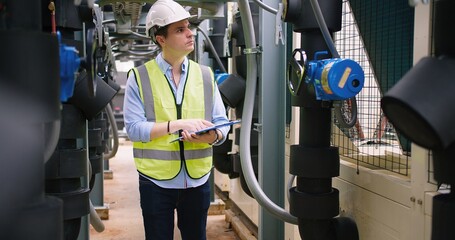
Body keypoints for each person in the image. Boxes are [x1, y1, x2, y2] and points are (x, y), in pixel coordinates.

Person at [123, 0, 230, 239]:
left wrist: (213, 136)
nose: (189, 33)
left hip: (197, 180)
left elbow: (222, 123)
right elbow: (133, 128)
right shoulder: (139, 77)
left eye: (187, 27)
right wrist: (176, 126)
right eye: (180, 30)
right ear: (161, 39)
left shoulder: (205, 75)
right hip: (155, 182)